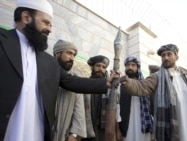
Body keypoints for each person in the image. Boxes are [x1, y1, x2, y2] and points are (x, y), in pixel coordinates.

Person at [0, 0, 116, 140]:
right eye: (45, 22)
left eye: (51, 24)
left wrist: (106, 83)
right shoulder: (3, 41)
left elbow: (71, 81)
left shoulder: (48, 61)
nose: (49, 29)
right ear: (26, 17)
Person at [120, 44, 187, 141]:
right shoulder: (156, 76)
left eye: (169, 54)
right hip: (170, 122)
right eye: (163, 55)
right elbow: (141, 87)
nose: (165, 57)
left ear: (176, 57)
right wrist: (125, 81)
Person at [52, 40, 87, 141]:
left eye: (74, 55)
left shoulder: (75, 78)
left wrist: (74, 134)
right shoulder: (45, 73)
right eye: (69, 53)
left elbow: (79, 110)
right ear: (57, 53)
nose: (72, 58)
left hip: (64, 134)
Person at [117, 57, 152, 141]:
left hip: (143, 125)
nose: (130, 67)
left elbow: (151, 108)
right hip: (126, 126)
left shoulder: (144, 85)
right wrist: (117, 130)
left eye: (133, 65)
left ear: (137, 67)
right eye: (128, 65)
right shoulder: (120, 85)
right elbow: (117, 108)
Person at [82, 55, 110, 141]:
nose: (101, 69)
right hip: (86, 128)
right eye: (98, 66)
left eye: (103, 67)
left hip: (103, 129)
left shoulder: (109, 88)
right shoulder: (84, 84)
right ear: (92, 67)